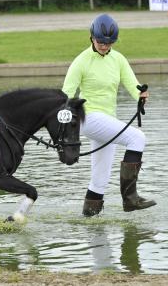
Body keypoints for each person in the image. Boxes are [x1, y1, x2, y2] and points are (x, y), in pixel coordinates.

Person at [61, 13, 156, 216]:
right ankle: (130, 199)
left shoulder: (118, 59)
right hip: (88, 117)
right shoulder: (81, 61)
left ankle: (90, 216)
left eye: (109, 42)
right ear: (91, 38)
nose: (104, 46)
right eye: (100, 41)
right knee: (137, 138)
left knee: (100, 178)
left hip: (107, 120)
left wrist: (141, 93)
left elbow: (132, 84)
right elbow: (66, 95)